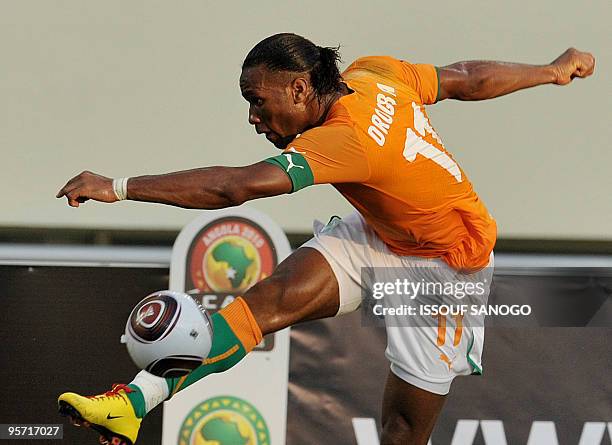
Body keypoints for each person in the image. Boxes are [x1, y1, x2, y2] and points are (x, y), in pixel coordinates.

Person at [56, 33, 595, 445]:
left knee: (404, 432)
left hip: (445, 271)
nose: (253, 116)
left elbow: (233, 187)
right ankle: (132, 402)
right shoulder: (375, 73)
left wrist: (117, 187)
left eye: (257, 101)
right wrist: (551, 71)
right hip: (381, 235)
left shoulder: (346, 140)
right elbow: (463, 78)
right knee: (263, 306)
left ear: (298, 87)